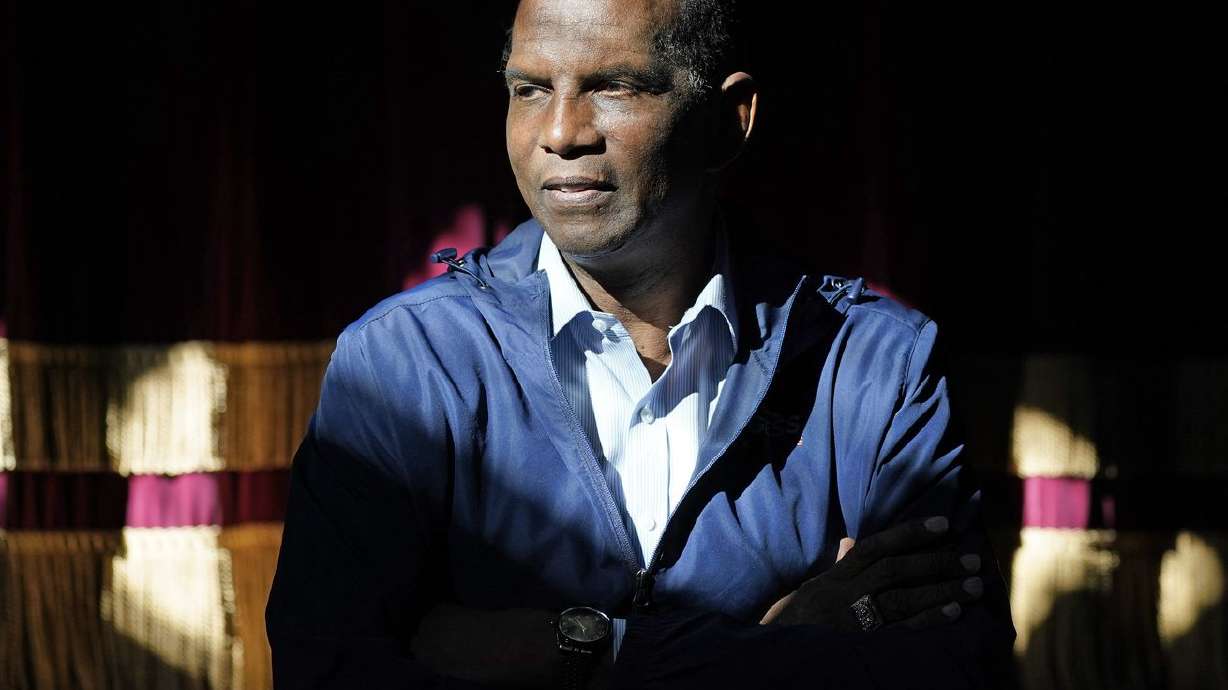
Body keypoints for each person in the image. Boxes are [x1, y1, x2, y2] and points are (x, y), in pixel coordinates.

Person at [265, 0, 1017, 688]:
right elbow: (328, 668)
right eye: (529, 89)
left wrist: (554, 650)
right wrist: (778, 649)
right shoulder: (403, 363)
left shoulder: (876, 365)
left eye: (614, 86)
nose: (561, 132)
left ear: (728, 120)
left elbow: (959, 669)